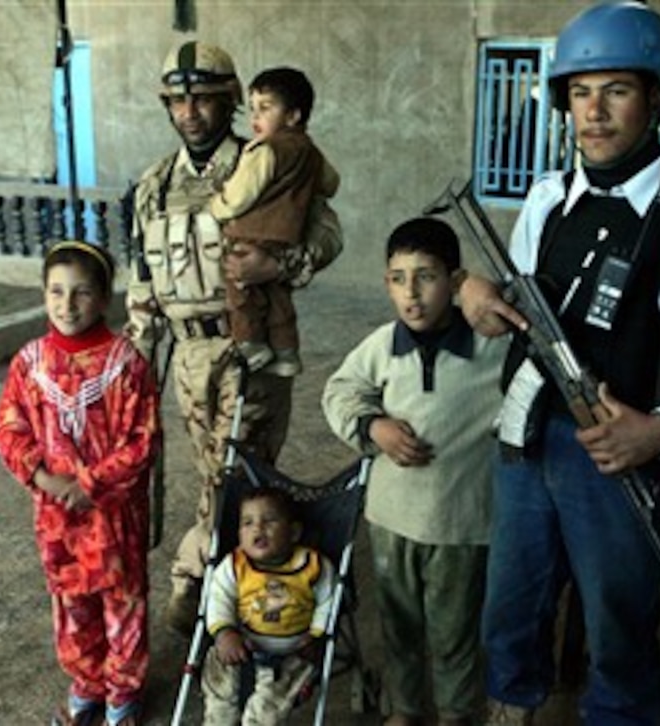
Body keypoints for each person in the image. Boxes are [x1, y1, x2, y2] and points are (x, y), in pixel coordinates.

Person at [458, 2, 660, 724]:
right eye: (579, 92)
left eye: (616, 91)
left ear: (658, 97)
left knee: (620, 631)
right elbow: (522, 301)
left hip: (619, 460)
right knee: (510, 608)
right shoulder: (547, 197)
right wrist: (477, 293)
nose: (593, 113)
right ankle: (513, 708)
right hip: (524, 442)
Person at [124, 40, 343, 634]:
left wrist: (282, 266)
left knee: (237, 476)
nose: (189, 111)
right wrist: (137, 364)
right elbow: (142, 283)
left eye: (202, 99)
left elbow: (327, 234)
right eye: (177, 100)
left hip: (252, 347)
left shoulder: (270, 158)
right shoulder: (153, 185)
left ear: (229, 101)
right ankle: (233, 589)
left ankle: (202, 585)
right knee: (212, 476)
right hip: (191, 355)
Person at [322, 217, 509, 726]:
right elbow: (339, 391)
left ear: (456, 280)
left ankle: (455, 712)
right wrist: (372, 426)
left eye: (427, 276)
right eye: (399, 278)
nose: (413, 294)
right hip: (390, 517)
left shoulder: (493, 345)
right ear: (386, 283)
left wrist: (487, 291)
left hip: (462, 522)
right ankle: (403, 710)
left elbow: (531, 309)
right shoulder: (382, 345)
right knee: (398, 625)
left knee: (454, 632)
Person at [0, 241, 159, 726]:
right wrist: (42, 475)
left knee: (122, 601)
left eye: (82, 293)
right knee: (71, 603)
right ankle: (86, 685)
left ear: (105, 298)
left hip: (113, 516)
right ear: (44, 295)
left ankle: (123, 694)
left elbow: (142, 440)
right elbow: (8, 428)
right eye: (57, 292)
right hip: (56, 517)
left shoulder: (126, 363)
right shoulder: (30, 363)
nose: (67, 305)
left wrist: (90, 482)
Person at [208, 66, 340, 376]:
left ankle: (251, 345)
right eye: (252, 109)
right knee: (277, 298)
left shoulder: (264, 150)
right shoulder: (311, 152)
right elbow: (331, 184)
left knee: (241, 291)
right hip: (287, 238)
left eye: (265, 108)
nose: (255, 118)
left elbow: (241, 194)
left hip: (252, 234)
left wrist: (218, 206)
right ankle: (285, 352)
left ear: (293, 115)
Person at [201, 487, 335, 725]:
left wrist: (316, 634)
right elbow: (218, 598)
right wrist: (224, 632)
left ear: (293, 532)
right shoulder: (234, 565)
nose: (258, 528)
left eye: (269, 521)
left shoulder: (313, 566)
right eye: (248, 523)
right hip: (240, 644)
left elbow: (328, 601)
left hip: (291, 653)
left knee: (267, 711)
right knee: (219, 694)